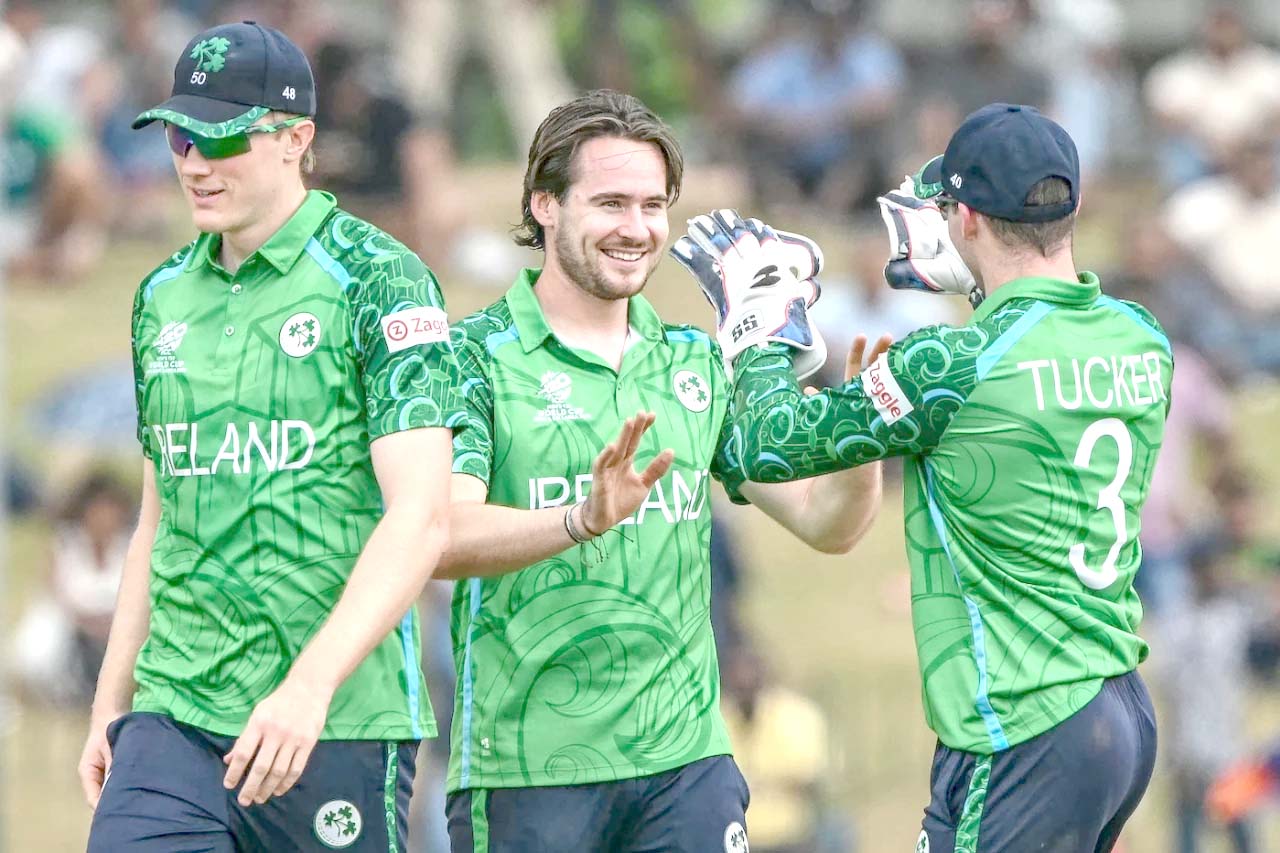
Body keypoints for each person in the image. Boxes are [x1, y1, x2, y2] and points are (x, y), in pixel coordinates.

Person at [680, 103, 1170, 851]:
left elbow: (765, 444)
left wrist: (761, 326)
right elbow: (1026, 372)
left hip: (1022, 721)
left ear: (966, 220)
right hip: (1120, 709)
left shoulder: (948, 364)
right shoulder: (1140, 336)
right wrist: (983, 279)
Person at [436, 88, 884, 852]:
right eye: (610, 202)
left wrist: (863, 437)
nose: (636, 227)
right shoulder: (472, 356)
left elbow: (824, 523)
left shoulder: (695, 362)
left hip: (686, 765)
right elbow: (441, 534)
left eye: (653, 205)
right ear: (545, 204)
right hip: (528, 769)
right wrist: (580, 519)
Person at [77, 21, 463, 851]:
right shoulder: (159, 296)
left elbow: (422, 516)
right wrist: (112, 702)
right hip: (173, 719)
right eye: (179, 137)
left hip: (334, 720)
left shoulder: (381, 279)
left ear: (296, 139)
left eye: (221, 137)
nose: (194, 163)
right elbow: (158, 518)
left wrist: (308, 687)